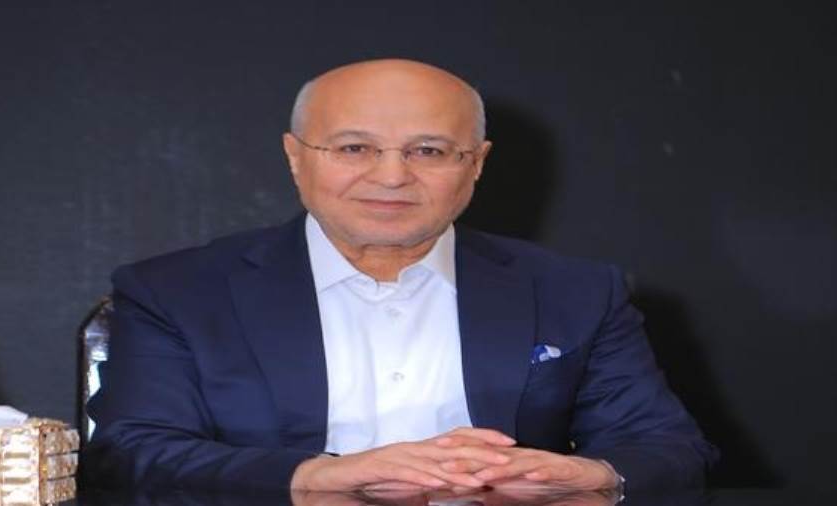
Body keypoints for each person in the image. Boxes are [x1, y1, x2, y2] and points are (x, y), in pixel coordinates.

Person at [83, 59, 717, 493]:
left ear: (476, 164)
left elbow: (668, 447)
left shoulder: (574, 290)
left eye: (429, 151)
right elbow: (130, 452)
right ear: (296, 158)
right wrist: (317, 476)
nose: (391, 177)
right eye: (354, 148)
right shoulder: (178, 292)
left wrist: (589, 476)